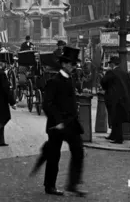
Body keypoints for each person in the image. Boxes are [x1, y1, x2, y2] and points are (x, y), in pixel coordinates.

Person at [31, 46, 86, 196]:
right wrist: (58, 121)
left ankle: (72, 184)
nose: (74, 67)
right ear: (64, 64)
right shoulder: (54, 81)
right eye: (72, 64)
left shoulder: (71, 79)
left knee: (78, 151)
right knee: (54, 156)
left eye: (75, 64)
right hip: (57, 125)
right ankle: (49, 186)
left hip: (71, 124)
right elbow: (47, 104)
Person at [100, 56, 130, 144]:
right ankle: (113, 135)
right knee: (118, 117)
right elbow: (129, 86)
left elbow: (103, 82)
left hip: (113, 99)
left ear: (112, 64)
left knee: (115, 118)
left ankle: (118, 138)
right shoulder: (125, 73)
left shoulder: (111, 72)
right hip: (124, 99)